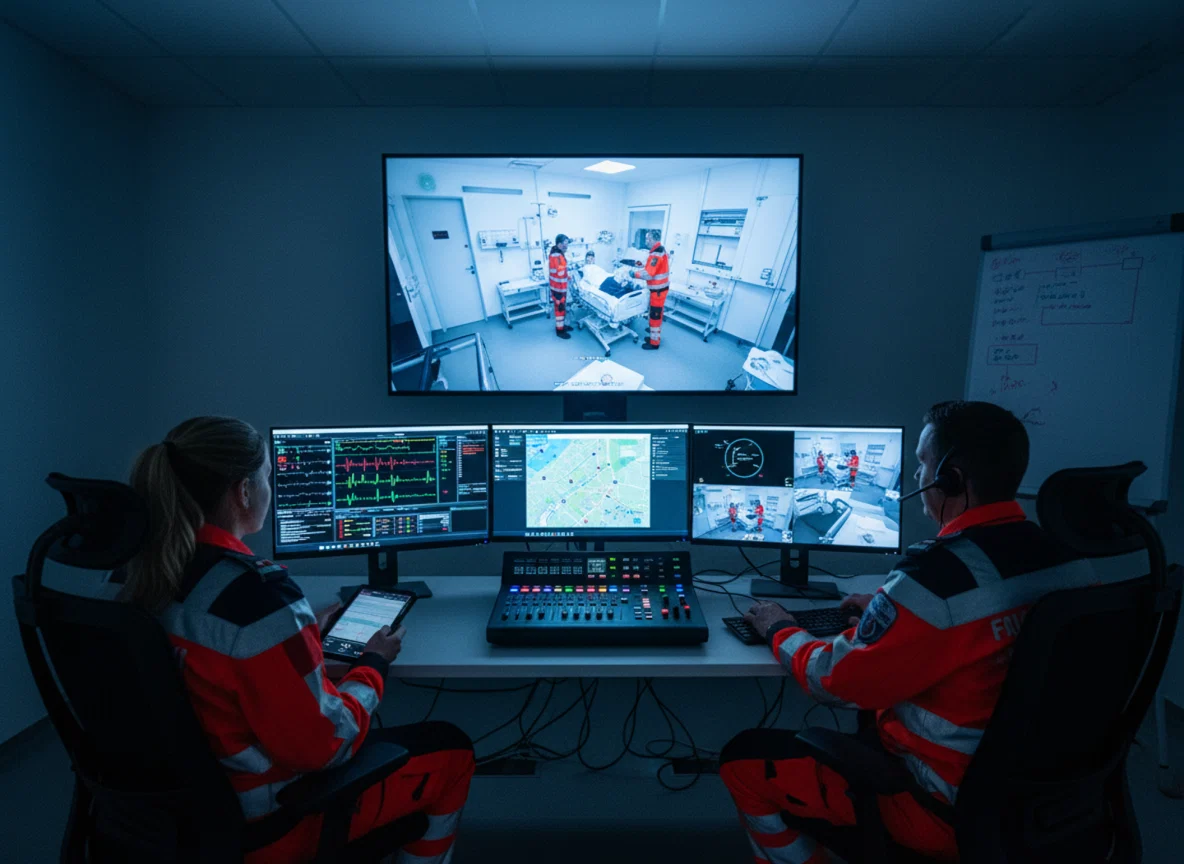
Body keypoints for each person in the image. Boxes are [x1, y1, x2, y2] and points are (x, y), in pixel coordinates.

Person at [721, 401, 1097, 863]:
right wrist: (890, 605)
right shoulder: (1062, 561)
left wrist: (778, 626)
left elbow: (833, 680)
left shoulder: (935, 576)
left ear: (951, 478)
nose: (916, 477)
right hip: (1045, 801)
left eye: (921, 463)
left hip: (937, 805)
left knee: (742, 760)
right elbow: (982, 613)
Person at [121, 417, 474, 864]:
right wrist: (373, 664)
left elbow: (221, 677)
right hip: (276, 819)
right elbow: (325, 746)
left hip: (180, 820)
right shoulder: (258, 597)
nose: (271, 487)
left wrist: (300, 641)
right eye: (268, 476)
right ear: (243, 492)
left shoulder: (148, 578)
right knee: (452, 748)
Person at [629, 229, 670, 350]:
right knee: (656, 314)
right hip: (660, 290)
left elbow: (648, 274)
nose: (646, 241)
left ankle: (654, 343)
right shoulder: (659, 250)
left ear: (653, 239)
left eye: (648, 239)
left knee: (655, 316)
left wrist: (633, 274)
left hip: (658, 291)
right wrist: (640, 264)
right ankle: (654, 337)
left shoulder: (656, 254)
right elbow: (652, 266)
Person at [549, 234, 573, 339]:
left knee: (563, 308)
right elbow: (560, 272)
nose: (567, 246)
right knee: (560, 309)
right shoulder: (556, 256)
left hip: (560, 286)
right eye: (565, 244)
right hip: (558, 288)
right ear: (559, 244)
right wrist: (569, 271)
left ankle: (563, 326)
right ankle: (559, 331)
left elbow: (560, 271)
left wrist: (567, 276)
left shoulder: (558, 254)